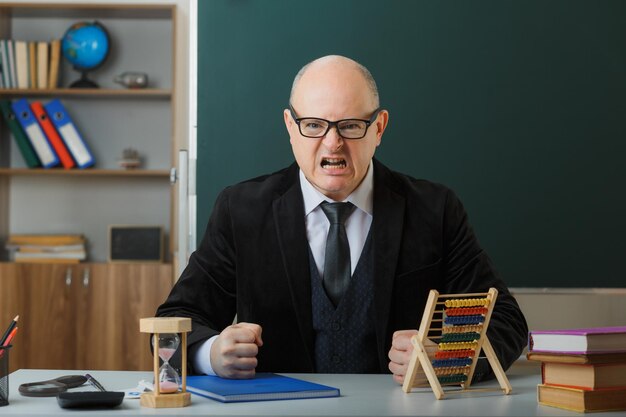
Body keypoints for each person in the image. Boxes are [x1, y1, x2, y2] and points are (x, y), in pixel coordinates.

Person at [156, 55, 528, 383]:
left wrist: (445, 357)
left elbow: (507, 322)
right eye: (314, 125)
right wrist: (211, 355)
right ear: (290, 127)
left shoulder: (434, 209)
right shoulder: (240, 210)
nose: (333, 143)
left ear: (379, 128)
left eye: (350, 125)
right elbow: (173, 323)